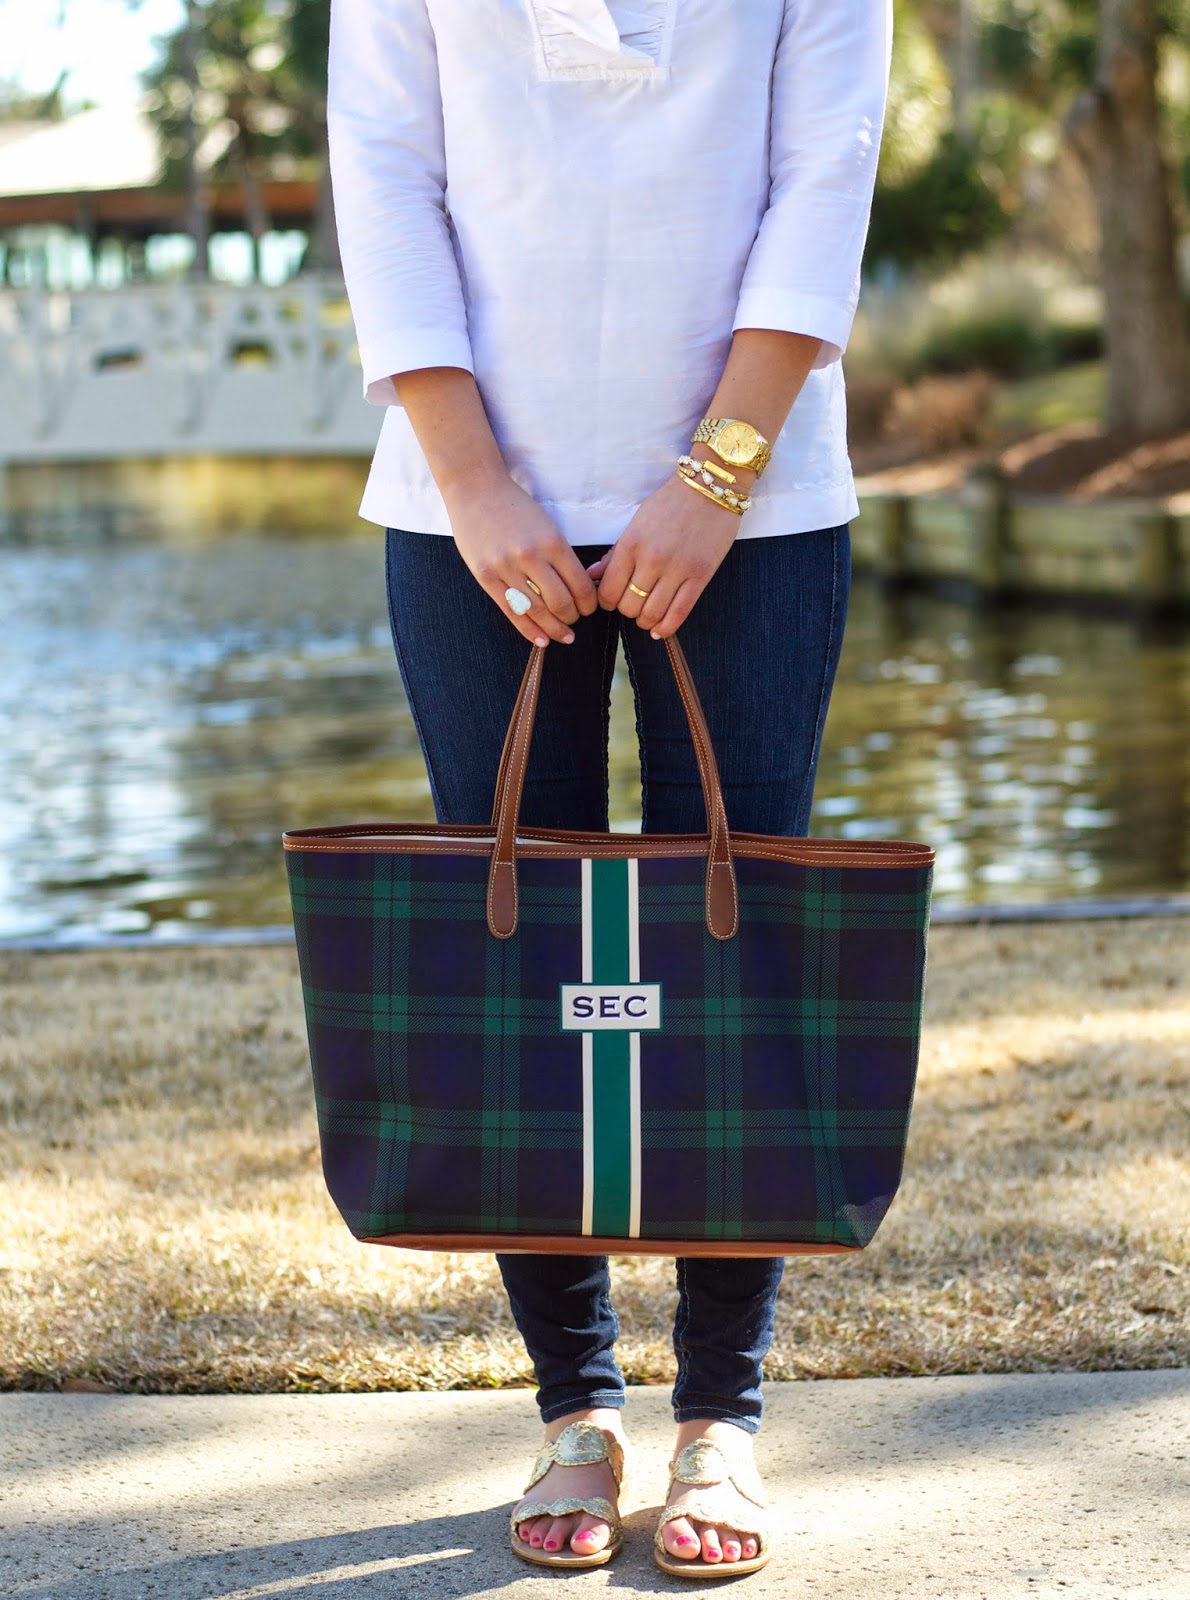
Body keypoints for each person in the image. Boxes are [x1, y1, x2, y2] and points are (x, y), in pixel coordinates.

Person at [327, 0, 892, 1577]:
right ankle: (574, 1406)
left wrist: (711, 479)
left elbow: (821, 175)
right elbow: (382, 169)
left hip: (757, 502)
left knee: (740, 937)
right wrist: (476, 483)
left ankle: (723, 1416)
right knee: (521, 958)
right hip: (469, 509)